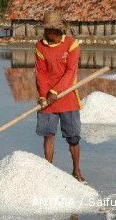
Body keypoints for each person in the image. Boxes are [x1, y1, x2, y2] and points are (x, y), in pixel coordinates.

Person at [35, 11, 84, 182]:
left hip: (67, 97)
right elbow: (40, 73)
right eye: (47, 31)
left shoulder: (72, 45)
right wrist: (43, 95)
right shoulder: (40, 46)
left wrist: (56, 91)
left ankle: (76, 170)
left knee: (73, 137)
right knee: (48, 134)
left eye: (51, 32)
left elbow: (70, 72)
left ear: (59, 31)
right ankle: (48, 171)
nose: (48, 35)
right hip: (47, 99)